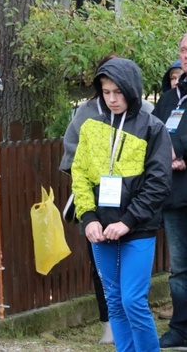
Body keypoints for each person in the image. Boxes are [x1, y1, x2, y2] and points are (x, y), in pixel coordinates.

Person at [72, 57, 171, 352]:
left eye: (118, 91)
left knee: (132, 300)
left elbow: (159, 184)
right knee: (113, 300)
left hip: (137, 230)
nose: (112, 99)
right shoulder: (91, 126)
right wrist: (88, 217)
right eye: (106, 92)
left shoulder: (153, 128)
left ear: (131, 89)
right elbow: (80, 174)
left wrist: (127, 220)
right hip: (99, 230)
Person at [154, 34, 187, 349]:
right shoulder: (170, 97)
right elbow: (154, 135)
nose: (186, 55)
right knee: (179, 269)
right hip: (175, 196)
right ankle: (180, 329)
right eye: (182, 49)